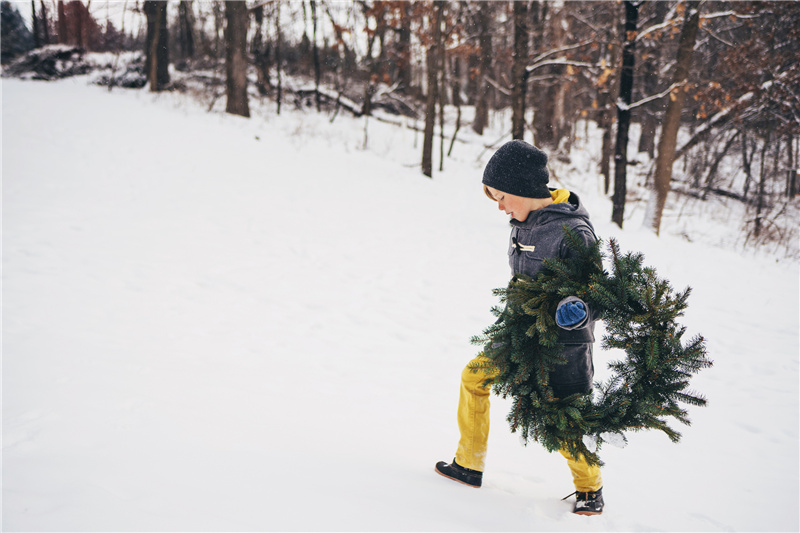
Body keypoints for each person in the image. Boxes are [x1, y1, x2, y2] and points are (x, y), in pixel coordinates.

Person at [434, 140, 604, 516]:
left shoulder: (574, 231)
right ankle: (469, 463)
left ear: (525, 190)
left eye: (502, 196)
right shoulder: (520, 225)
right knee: (474, 376)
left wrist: (580, 308)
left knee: (562, 417)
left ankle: (590, 488)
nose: (499, 206)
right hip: (519, 332)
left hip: (565, 345)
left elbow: (601, 291)